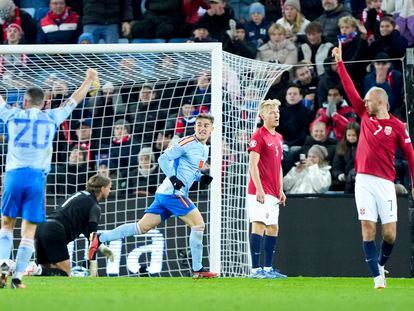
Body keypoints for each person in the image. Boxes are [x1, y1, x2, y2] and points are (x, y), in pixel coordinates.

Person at [0, 68, 99, 289]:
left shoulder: (12, 114)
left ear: (25, 102)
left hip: (14, 176)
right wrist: (88, 80)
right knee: (29, 230)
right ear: (44, 103)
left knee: (6, 226)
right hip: (36, 179)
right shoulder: (52, 116)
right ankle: (17, 277)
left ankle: (1, 264)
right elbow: (73, 101)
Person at [88, 114, 218, 278]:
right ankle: (198, 269)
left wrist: (201, 177)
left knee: (141, 227)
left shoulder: (204, 148)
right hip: (173, 193)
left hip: (166, 193)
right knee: (198, 225)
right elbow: (163, 158)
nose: (202, 128)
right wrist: (173, 178)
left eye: (206, 125)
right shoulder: (187, 142)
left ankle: (100, 237)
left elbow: (190, 169)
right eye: (199, 124)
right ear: (195, 127)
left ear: (212, 129)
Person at [332, 43, 414, 289]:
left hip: (386, 183)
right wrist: (339, 63)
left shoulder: (398, 126)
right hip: (364, 181)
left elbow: (411, 156)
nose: (364, 103)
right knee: (368, 228)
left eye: (368, 100)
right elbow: (349, 89)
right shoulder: (364, 115)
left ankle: (381, 263)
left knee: (389, 234)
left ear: (380, 101)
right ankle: (377, 278)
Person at [31, 174, 113, 277]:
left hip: (41, 227)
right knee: (65, 273)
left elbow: (87, 232)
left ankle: (34, 270)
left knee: (47, 270)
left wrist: (101, 247)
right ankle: (35, 270)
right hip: (55, 230)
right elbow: (93, 239)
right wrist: (93, 267)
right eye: (109, 188)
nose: (110, 191)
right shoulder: (94, 206)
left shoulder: (79, 195)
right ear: (103, 188)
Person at [247, 99, 287, 279]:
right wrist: (259, 189)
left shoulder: (278, 137)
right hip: (259, 190)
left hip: (273, 190)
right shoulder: (258, 135)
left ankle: (268, 269)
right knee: (259, 224)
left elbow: (278, 165)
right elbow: (252, 165)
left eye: (277, 112)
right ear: (263, 116)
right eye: (271, 112)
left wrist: (281, 189)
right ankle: (256, 270)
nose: (276, 115)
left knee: (273, 228)